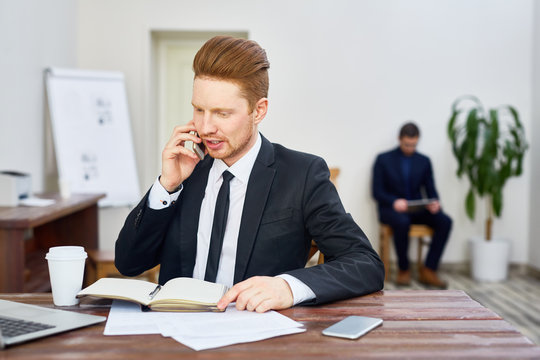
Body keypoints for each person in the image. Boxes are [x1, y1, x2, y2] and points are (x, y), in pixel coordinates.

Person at [115, 36, 384, 313]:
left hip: (255, 339)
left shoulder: (302, 175)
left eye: (222, 113)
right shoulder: (186, 172)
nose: (205, 127)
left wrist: (287, 287)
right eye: (198, 109)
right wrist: (167, 187)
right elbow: (128, 263)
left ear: (259, 110)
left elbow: (365, 264)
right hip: (173, 335)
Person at [372, 122, 452, 288]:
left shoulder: (424, 161)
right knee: (402, 222)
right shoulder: (383, 159)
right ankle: (404, 269)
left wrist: (434, 202)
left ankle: (429, 269)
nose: (410, 148)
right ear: (400, 139)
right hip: (391, 209)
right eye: (407, 144)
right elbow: (376, 192)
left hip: (416, 208)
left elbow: (430, 189)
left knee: (445, 221)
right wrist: (394, 201)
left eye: (414, 145)